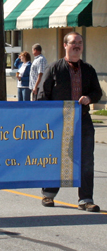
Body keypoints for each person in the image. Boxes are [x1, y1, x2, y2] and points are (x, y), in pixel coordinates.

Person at [38, 32, 102, 212]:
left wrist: (89, 98)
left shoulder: (88, 69)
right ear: (65, 45)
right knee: (57, 158)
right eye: (73, 42)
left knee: (86, 160)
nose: (77, 46)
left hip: (83, 120)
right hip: (59, 122)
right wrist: (48, 119)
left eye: (80, 43)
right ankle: (48, 195)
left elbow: (97, 92)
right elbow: (42, 95)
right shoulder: (54, 68)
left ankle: (86, 200)